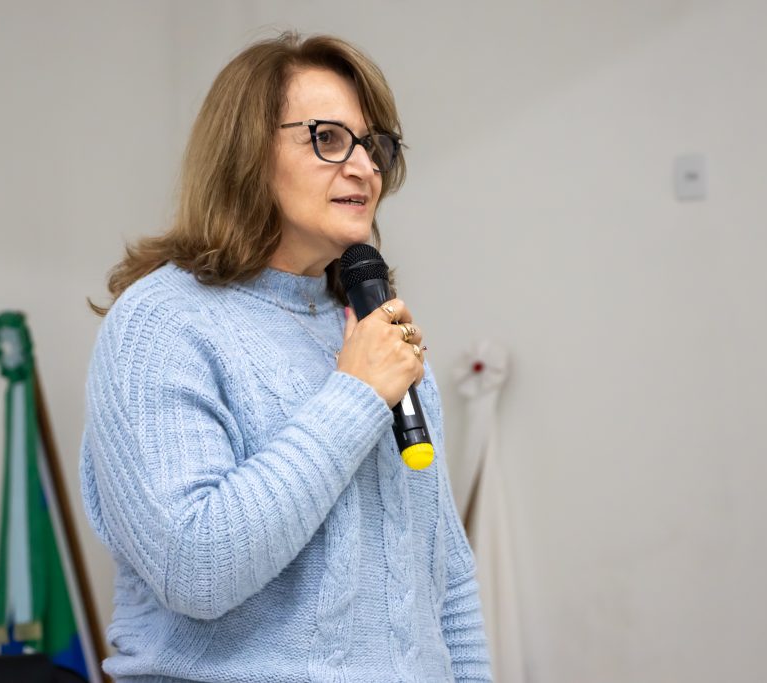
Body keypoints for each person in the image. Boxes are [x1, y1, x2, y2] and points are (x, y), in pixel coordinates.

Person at [80, 32, 492, 682]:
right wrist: (356, 395)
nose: (364, 168)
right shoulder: (160, 323)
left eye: (374, 146)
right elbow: (193, 567)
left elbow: (445, 578)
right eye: (328, 138)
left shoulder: (375, 329)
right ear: (246, 152)